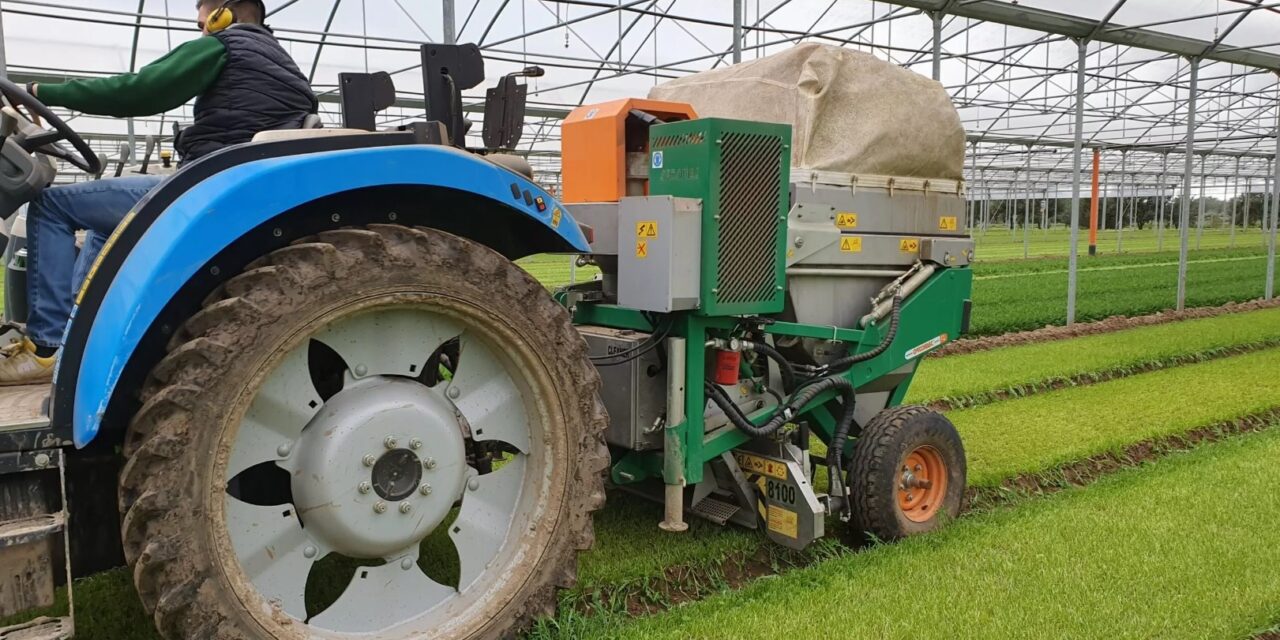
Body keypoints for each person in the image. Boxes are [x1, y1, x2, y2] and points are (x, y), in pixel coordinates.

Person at [0, 0, 317, 384]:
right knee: (105, 226)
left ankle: (47, 345)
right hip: (230, 183)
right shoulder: (285, 66)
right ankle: (78, 334)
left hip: (205, 186)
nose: (200, 25)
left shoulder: (227, 44)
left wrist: (36, 91)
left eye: (203, 14)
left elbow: (137, 92)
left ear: (224, 12)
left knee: (51, 205)